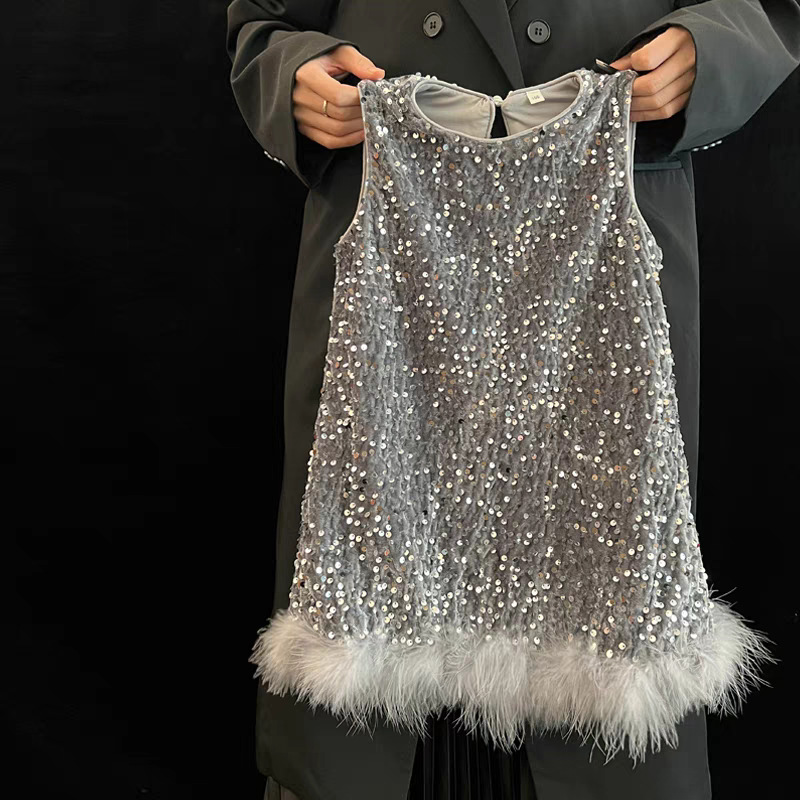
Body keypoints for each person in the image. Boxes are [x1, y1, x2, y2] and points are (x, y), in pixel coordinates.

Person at [225, 2, 800, 799]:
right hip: (387, 233)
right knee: (369, 642)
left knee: (605, 626)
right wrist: (286, 75)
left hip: (606, 220)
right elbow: (259, 21)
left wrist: (715, 53)